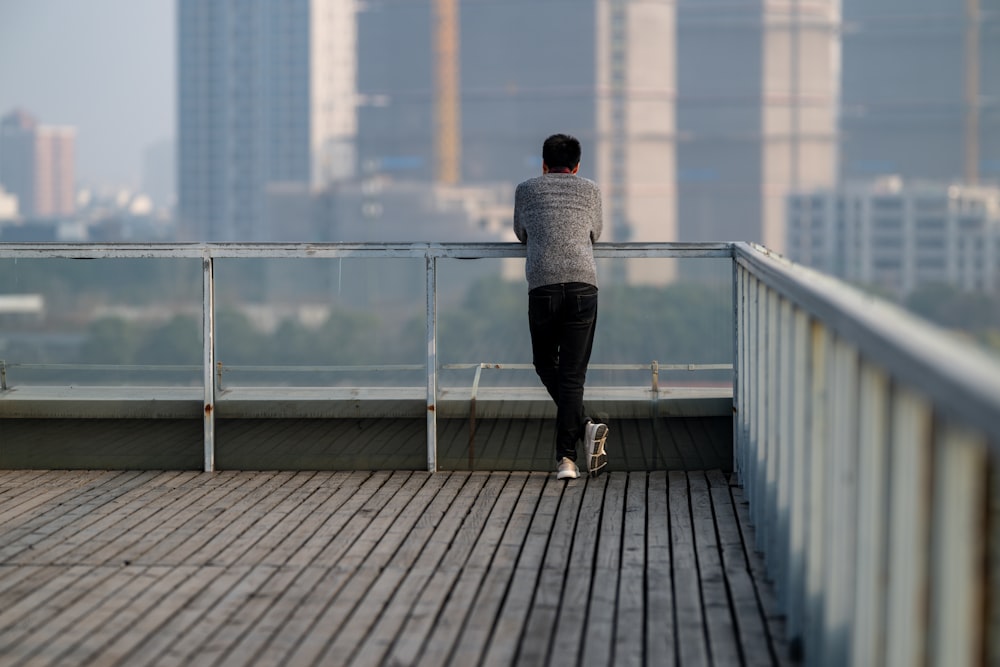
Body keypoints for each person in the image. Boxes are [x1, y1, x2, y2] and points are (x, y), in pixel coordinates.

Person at [513, 133, 609, 480]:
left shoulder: (526, 189)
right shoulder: (591, 190)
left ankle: (578, 437)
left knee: (544, 363)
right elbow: (594, 233)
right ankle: (569, 454)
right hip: (584, 284)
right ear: (577, 166)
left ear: (543, 164)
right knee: (572, 375)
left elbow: (521, 233)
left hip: (543, 286)